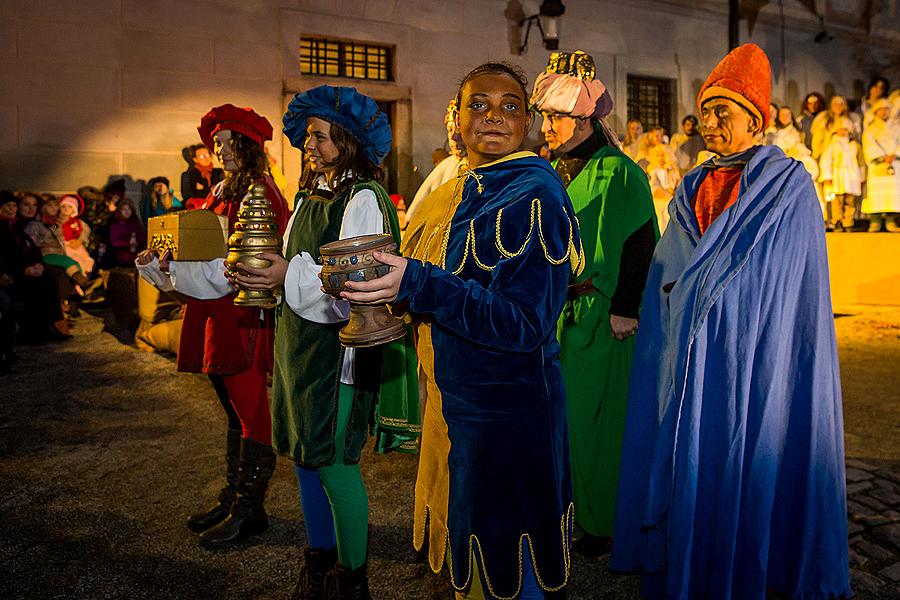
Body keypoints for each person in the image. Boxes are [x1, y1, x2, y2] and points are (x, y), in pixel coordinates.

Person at [611, 43, 851, 600]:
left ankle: (746, 564)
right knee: (692, 459)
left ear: (754, 118)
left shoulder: (788, 187)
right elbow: (670, 270)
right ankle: (690, 564)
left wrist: (729, 312)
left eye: (724, 111)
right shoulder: (693, 186)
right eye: (706, 110)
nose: (710, 122)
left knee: (745, 449)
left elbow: (788, 281)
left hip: (751, 351)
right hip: (689, 356)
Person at [344, 62, 583, 600]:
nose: (493, 116)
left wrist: (421, 284)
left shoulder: (534, 192)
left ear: (529, 124)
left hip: (514, 419)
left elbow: (524, 325)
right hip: (463, 412)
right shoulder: (465, 187)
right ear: (457, 119)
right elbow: (450, 292)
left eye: (510, 105)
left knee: (510, 574)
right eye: (479, 104)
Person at [227, 84, 407, 599]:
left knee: (335, 464)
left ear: (347, 141)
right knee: (305, 459)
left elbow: (355, 287)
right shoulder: (310, 195)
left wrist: (288, 274)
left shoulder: (363, 198)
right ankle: (319, 563)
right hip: (298, 349)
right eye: (307, 136)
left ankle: (352, 580)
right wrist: (255, 273)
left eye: (319, 136)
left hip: (339, 355)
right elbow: (289, 267)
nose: (309, 145)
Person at [136, 104, 290, 547]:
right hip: (214, 311)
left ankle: (250, 510)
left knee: (250, 412)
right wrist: (162, 266)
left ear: (247, 145)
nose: (218, 151)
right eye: (216, 144)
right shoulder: (222, 188)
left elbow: (242, 263)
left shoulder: (262, 192)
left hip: (241, 313)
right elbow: (199, 250)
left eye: (225, 143)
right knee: (230, 409)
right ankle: (234, 498)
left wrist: (175, 273)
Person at [531, 50, 658, 559]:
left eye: (556, 116)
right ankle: (573, 512)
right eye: (545, 116)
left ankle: (603, 523)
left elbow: (641, 242)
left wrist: (626, 307)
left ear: (584, 119)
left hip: (603, 318)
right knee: (564, 423)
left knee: (599, 426)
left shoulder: (619, 171)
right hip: (560, 317)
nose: (547, 125)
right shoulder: (553, 171)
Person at [0, 191, 68, 344]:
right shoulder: (11, 226)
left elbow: (31, 249)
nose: (12, 210)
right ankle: (34, 332)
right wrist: (24, 269)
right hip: (10, 273)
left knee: (47, 279)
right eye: (8, 206)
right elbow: (7, 256)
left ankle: (49, 326)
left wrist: (38, 264)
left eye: (14, 206)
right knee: (39, 283)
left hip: (25, 267)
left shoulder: (16, 225)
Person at [405, 98, 468, 226]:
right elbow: (416, 215)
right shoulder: (444, 166)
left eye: (459, 130)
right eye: (450, 130)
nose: (453, 137)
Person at [819, 116, 865, 231]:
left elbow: (860, 162)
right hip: (837, 177)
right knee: (837, 202)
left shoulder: (855, 145)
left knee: (850, 201)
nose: (843, 132)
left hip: (852, 178)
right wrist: (827, 177)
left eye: (845, 129)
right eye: (841, 129)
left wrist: (862, 176)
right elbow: (826, 161)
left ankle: (848, 221)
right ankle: (837, 220)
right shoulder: (831, 145)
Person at [862, 98, 900, 232]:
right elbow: (868, 146)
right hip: (878, 164)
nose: (884, 112)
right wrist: (881, 157)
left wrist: (894, 154)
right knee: (876, 193)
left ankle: (891, 220)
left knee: (893, 194)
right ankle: (875, 221)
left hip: (894, 164)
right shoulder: (871, 129)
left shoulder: (897, 127)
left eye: (887, 109)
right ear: (876, 112)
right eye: (881, 110)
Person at [811, 95, 862, 159]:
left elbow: (857, 137)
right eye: (835, 104)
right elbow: (817, 140)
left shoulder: (850, 120)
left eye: (841, 104)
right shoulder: (824, 121)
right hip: (829, 154)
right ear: (831, 106)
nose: (838, 107)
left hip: (847, 154)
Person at [101, 198, 147, 267]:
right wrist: (128, 242)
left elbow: (143, 237)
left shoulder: (135, 224)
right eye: (124, 209)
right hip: (119, 260)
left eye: (129, 209)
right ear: (119, 211)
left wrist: (136, 241)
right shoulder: (115, 225)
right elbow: (114, 242)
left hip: (135, 258)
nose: (127, 211)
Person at [58, 194, 94, 275]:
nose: (66, 209)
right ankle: (79, 279)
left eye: (70, 207)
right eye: (63, 206)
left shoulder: (76, 222)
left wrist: (79, 240)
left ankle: (85, 275)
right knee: (75, 260)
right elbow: (52, 230)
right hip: (65, 245)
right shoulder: (57, 221)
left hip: (75, 244)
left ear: (74, 210)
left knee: (84, 257)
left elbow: (80, 232)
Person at [180, 144, 225, 209]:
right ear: (195, 159)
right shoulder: (189, 174)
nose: (205, 158)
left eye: (207, 155)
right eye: (201, 156)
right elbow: (187, 195)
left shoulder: (218, 172)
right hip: (197, 208)